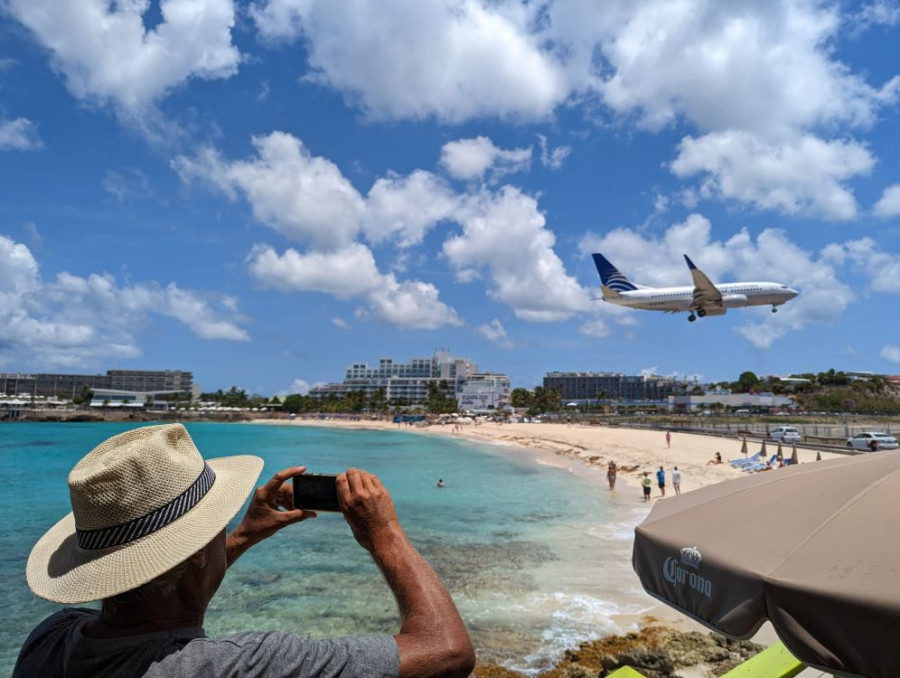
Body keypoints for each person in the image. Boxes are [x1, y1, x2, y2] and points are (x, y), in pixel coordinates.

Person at [13, 424, 474, 678]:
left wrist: (238, 538)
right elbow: (447, 651)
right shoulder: (236, 665)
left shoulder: (48, 641)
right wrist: (384, 533)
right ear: (194, 552)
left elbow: (166, 589)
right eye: (215, 527)